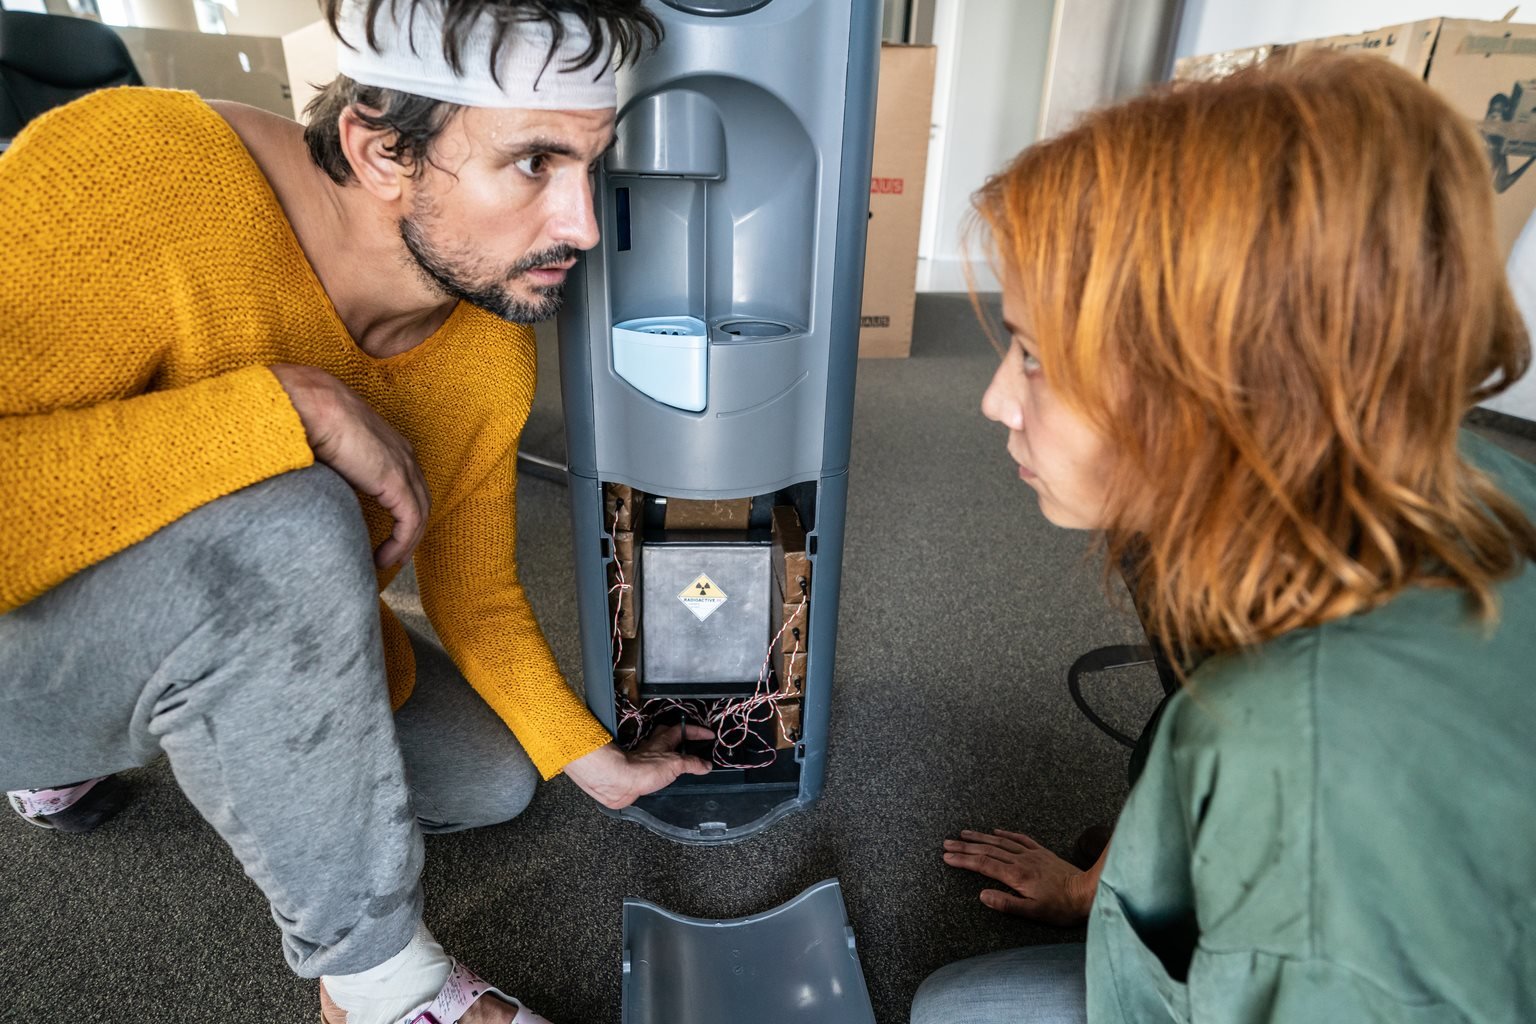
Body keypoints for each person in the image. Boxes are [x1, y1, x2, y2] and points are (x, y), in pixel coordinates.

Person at [0, 1, 713, 1021]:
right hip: (24, 641)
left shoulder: (486, 345)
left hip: (222, 614)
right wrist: (284, 409)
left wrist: (588, 759)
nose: (584, 225)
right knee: (292, 521)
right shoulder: (131, 169)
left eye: (590, 167)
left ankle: (210, 711)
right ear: (382, 151)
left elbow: (477, 592)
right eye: (533, 164)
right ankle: (383, 990)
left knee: (493, 779)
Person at [912, 53, 1536, 1023]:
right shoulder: (1445, 469)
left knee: (952, 1009)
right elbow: (1196, 702)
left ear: (1215, 387)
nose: (996, 400)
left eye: (1034, 358)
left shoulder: (1304, 765)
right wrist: (1101, 886)